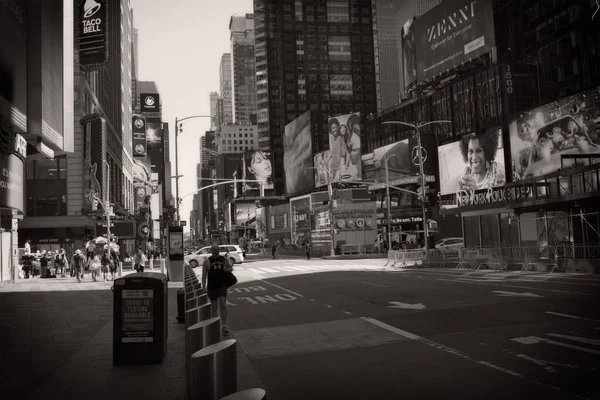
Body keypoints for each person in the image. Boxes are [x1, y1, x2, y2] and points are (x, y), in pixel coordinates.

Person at [201, 243, 233, 336]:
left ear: (219, 250)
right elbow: (204, 275)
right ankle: (215, 325)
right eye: (214, 249)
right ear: (211, 250)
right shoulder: (207, 261)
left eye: (217, 249)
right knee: (214, 307)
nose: (216, 251)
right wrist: (203, 286)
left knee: (223, 304)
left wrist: (226, 269)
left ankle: (224, 325)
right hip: (212, 286)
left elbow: (231, 268)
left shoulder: (224, 259)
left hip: (222, 286)